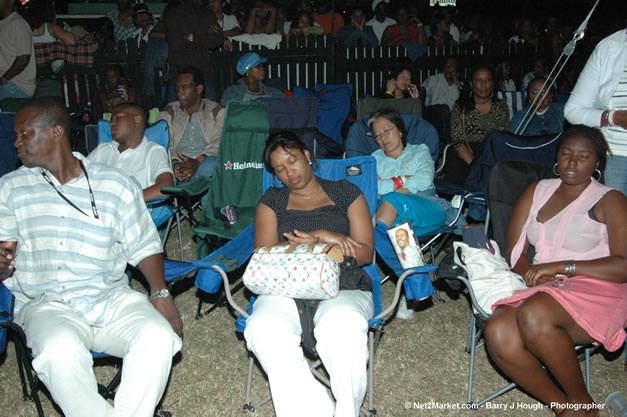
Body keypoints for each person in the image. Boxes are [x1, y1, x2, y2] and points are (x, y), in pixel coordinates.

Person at [0, 98, 183, 417]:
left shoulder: (113, 184)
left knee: (157, 338)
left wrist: (161, 293)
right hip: (47, 303)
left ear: (56, 132)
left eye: (25, 133)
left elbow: (144, 244)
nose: (16, 142)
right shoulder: (10, 188)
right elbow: (5, 250)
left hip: (109, 296)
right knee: (59, 352)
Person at [484, 125, 627, 415]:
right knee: (498, 329)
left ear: (597, 163)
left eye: (583, 156)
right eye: (566, 154)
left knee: (534, 313)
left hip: (598, 287)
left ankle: (580, 401)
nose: (572, 162)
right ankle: (566, 408)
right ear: (557, 156)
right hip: (545, 288)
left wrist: (564, 267)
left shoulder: (610, 199)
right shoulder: (537, 190)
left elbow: (624, 264)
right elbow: (515, 252)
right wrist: (530, 273)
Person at [245, 130, 375, 417]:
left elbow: (365, 252)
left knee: (343, 327)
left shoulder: (346, 192)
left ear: (307, 155)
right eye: (279, 169)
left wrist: (325, 236)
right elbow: (263, 252)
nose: (287, 172)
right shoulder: (272, 200)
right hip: (284, 284)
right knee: (263, 329)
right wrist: (318, 239)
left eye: (291, 161)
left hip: (343, 281)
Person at [564, 28, 627, 196]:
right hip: (617, 157)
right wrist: (615, 117)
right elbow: (573, 110)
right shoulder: (609, 48)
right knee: (616, 220)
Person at [369, 108, 448, 237]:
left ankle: (377, 239)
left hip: (424, 212)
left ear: (400, 130)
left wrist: (397, 192)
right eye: (377, 135)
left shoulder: (420, 151)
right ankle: (382, 241)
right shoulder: (373, 160)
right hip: (394, 223)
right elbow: (370, 187)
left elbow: (425, 177)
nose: (383, 138)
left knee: (392, 199)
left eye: (386, 130)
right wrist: (401, 180)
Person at [88, 103, 174, 201]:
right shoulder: (103, 150)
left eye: (118, 117)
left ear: (137, 120)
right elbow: (78, 176)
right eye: (111, 119)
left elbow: (166, 186)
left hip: (130, 211)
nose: (112, 123)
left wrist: (127, 200)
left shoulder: (152, 151)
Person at [157, 67, 225, 183]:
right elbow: (163, 144)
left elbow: (220, 141)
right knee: (163, 168)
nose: (179, 93)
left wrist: (198, 161)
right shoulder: (168, 112)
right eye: (177, 88)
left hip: (205, 163)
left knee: (210, 165)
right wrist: (175, 163)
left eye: (184, 88)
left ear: (199, 89)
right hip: (178, 166)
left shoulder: (217, 111)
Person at [447, 65, 509, 185]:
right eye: (479, 80)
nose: (484, 85)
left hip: (491, 152)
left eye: (488, 80)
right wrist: (476, 165)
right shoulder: (460, 107)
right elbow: (457, 140)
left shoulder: (501, 107)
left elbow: (503, 137)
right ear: (471, 84)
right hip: (465, 152)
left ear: (493, 83)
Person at [165, 0, 224, 103]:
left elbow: (218, 40)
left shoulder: (207, 14)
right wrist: (205, 35)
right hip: (180, 74)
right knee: (174, 114)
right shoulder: (173, 14)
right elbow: (176, 43)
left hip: (203, 73)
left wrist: (190, 37)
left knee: (210, 114)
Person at [22, 0, 76, 74]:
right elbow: (72, 41)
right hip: (51, 72)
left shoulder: (23, 28)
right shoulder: (50, 27)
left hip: (28, 69)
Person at [419, 57, 462, 146]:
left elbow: (465, 100)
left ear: (456, 69)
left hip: (450, 118)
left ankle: (447, 146)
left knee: (447, 111)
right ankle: (447, 144)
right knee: (443, 108)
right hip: (432, 113)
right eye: (446, 66)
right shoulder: (434, 79)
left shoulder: (459, 86)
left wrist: (457, 82)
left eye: (451, 66)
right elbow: (423, 90)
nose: (448, 68)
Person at [0, 0, 36, 100]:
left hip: (15, 85)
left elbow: (23, 59)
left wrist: (3, 79)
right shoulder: (4, 24)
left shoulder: (18, 23)